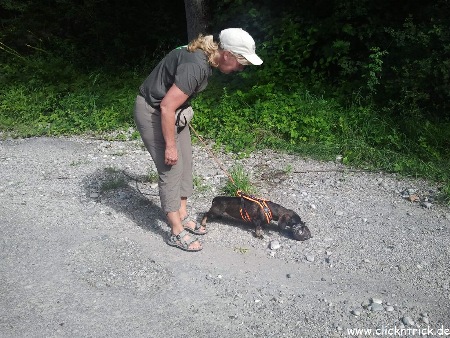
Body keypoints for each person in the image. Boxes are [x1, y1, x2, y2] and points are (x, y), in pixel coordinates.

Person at [134, 28, 263, 252]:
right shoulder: (196, 64)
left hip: (173, 112)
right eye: (241, 63)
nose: (242, 68)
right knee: (171, 166)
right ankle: (175, 231)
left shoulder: (206, 57)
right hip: (155, 111)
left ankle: (182, 215)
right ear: (227, 55)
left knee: (186, 164)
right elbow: (166, 106)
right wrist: (170, 146)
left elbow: (174, 98)